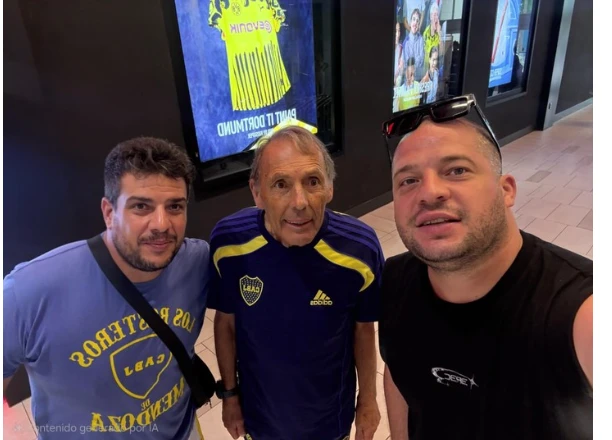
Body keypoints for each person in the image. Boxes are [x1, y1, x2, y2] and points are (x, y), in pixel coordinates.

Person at [379, 95, 593, 440]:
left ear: (506, 190)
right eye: (409, 180)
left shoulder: (583, 313)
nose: (429, 193)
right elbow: (398, 374)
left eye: (456, 170)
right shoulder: (394, 280)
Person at [3, 137, 210, 439]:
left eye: (175, 206)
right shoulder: (28, 291)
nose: (161, 224)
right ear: (109, 213)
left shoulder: (197, 260)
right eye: (141, 206)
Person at [208, 126, 383, 440]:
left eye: (312, 181)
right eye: (281, 184)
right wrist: (230, 397)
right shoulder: (228, 243)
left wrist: (368, 400)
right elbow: (226, 324)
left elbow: (363, 331)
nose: (300, 202)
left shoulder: (360, 250)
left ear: (329, 187)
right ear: (257, 192)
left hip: (330, 420)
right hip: (259, 418)